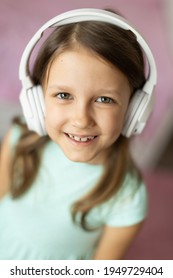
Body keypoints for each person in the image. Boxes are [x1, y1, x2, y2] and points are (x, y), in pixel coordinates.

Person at [0, 8, 157, 260]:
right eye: (64, 95)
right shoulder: (18, 141)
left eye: (105, 99)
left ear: (135, 109)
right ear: (37, 100)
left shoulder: (127, 197)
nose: (81, 119)